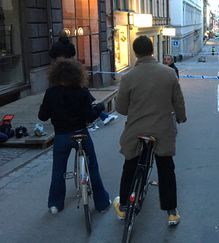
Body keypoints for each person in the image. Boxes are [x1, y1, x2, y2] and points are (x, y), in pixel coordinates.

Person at [114, 35, 187, 226]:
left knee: (130, 166)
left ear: (135, 52)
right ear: (152, 50)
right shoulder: (169, 73)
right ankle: (171, 212)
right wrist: (181, 117)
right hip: (162, 130)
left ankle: (123, 206)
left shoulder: (128, 77)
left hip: (136, 130)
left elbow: (121, 108)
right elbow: (178, 101)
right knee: (166, 168)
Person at [38, 58, 111, 214]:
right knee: (92, 167)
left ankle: (55, 204)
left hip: (61, 136)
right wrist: (99, 108)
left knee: (58, 170)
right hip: (81, 134)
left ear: (55, 75)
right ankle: (102, 203)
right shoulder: (82, 92)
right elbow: (89, 116)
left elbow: (42, 116)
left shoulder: (51, 92)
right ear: (77, 74)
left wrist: (50, 107)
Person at [48, 30, 115, 126]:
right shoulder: (70, 45)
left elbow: (51, 54)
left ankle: (103, 115)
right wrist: (99, 107)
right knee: (82, 94)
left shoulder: (56, 46)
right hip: (69, 70)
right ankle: (103, 115)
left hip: (60, 71)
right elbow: (73, 53)